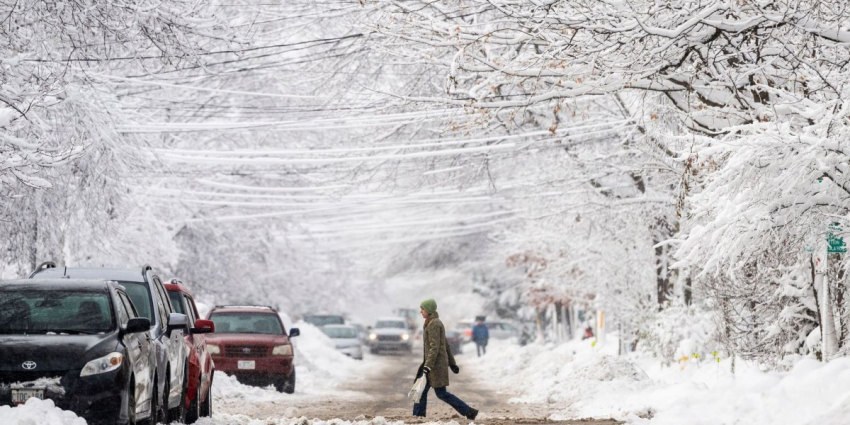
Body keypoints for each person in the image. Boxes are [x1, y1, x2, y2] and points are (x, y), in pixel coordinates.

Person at [413, 299, 478, 420]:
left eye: (423, 309)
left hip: (434, 366)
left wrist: (428, 366)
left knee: (438, 393)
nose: (420, 311)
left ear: (429, 310)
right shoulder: (430, 322)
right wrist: (452, 363)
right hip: (432, 364)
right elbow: (445, 344)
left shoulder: (434, 324)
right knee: (423, 390)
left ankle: (468, 411)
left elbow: (435, 347)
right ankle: (418, 415)